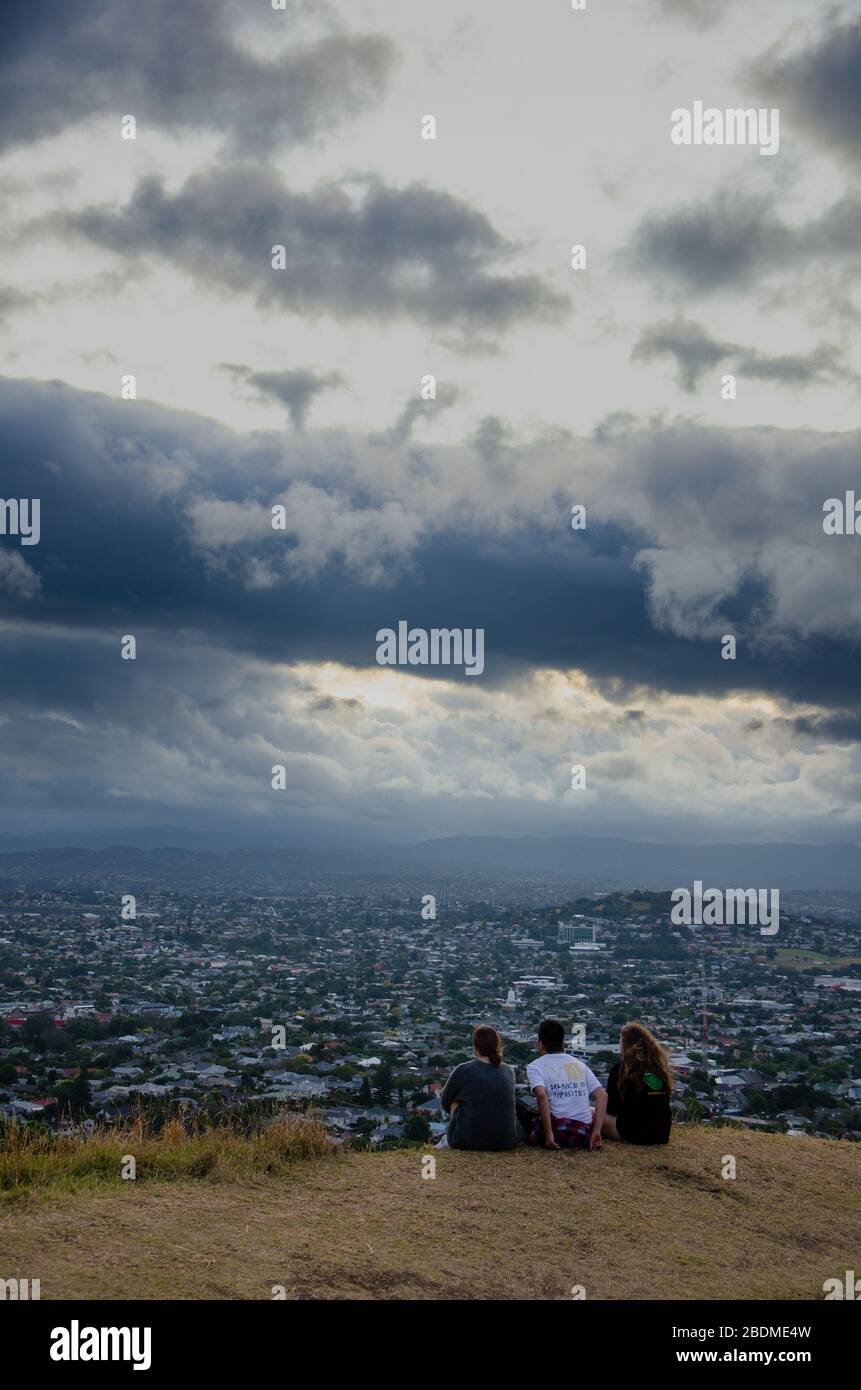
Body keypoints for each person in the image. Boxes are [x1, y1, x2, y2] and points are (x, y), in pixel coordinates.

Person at [525, 1018, 607, 1150]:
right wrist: (596, 1131)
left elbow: (541, 1096)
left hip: (558, 1132)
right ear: (562, 1043)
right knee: (591, 1110)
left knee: (525, 1111)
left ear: (540, 1044)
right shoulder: (579, 1064)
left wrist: (549, 1134)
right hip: (582, 1134)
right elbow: (602, 1096)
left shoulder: (535, 1066)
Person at [439, 1025, 521, 1150]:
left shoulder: (464, 1070)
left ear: (475, 1046)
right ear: (497, 1045)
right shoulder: (508, 1070)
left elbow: (445, 1101)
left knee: (455, 1101)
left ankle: (451, 1137)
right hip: (506, 1140)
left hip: (468, 1140)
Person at [602, 1022, 672, 1145]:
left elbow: (611, 1109)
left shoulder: (621, 1070)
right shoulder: (658, 1069)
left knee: (592, 1113)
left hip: (634, 1134)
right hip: (661, 1135)